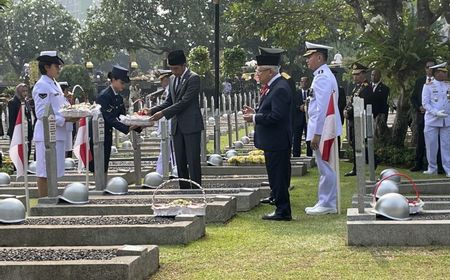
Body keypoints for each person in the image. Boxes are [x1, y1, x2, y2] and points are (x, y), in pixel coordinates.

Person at [242, 52, 292, 221]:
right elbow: (271, 111)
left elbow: (277, 116)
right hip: (274, 141)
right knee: (276, 176)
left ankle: (282, 211)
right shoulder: (274, 86)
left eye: (260, 71)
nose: (257, 74)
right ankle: (279, 205)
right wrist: (255, 112)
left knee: (278, 177)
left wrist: (254, 118)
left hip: (277, 141)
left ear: (270, 71)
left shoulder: (279, 88)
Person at [148, 50, 204, 189]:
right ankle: (184, 189)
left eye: (176, 68)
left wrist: (162, 114)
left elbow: (184, 102)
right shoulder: (173, 80)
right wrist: (152, 110)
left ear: (184, 65)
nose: (173, 71)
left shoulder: (193, 78)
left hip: (191, 125)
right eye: (171, 68)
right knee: (180, 161)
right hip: (177, 126)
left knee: (193, 161)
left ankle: (196, 190)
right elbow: (170, 101)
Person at [303, 42, 342, 215]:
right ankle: (324, 200)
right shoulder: (321, 75)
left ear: (319, 57)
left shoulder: (323, 77)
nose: (307, 61)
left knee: (327, 167)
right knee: (324, 166)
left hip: (324, 129)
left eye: (309, 57)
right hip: (323, 128)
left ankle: (327, 203)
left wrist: (317, 134)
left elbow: (323, 108)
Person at [32, 51, 77, 197]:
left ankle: (52, 196)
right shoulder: (42, 86)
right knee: (45, 171)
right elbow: (42, 114)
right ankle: (45, 200)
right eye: (56, 66)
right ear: (46, 67)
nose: (59, 69)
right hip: (47, 134)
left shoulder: (54, 83)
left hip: (57, 134)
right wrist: (65, 119)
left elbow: (60, 107)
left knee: (54, 170)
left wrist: (72, 109)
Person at [88, 65, 142, 174]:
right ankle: (99, 185)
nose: (123, 85)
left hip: (107, 133)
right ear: (113, 80)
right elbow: (109, 118)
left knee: (105, 160)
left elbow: (122, 117)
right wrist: (127, 128)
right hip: (98, 133)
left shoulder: (118, 97)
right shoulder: (105, 96)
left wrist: (139, 125)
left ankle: (103, 183)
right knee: (98, 162)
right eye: (121, 82)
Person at [343, 63, 373, 176]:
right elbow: (351, 102)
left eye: (357, 74)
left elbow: (361, 104)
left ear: (363, 74)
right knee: (353, 143)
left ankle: (369, 162)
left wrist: (349, 112)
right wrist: (345, 109)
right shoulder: (356, 87)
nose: (355, 77)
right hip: (353, 120)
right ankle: (357, 167)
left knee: (359, 144)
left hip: (361, 119)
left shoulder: (366, 88)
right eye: (354, 75)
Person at [422, 62, 450, 176]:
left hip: (446, 120)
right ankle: (432, 168)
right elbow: (425, 103)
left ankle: (448, 168)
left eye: (446, 72)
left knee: (446, 145)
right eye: (443, 72)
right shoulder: (428, 86)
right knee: (431, 145)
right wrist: (436, 112)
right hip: (432, 120)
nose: (445, 74)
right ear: (437, 73)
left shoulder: (448, 85)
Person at [410, 60, 435, 171]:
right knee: (420, 141)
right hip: (422, 116)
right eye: (427, 67)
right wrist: (418, 107)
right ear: (425, 69)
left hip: (435, 117)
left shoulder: (440, 82)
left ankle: (436, 165)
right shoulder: (420, 81)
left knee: (435, 141)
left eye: (432, 67)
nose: (430, 69)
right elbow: (413, 97)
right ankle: (418, 163)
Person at [155, 70, 177, 177]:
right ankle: (161, 172)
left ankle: (173, 171)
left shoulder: (170, 90)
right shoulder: (167, 90)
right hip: (165, 125)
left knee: (171, 151)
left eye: (162, 80)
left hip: (169, 125)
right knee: (166, 151)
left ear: (167, 79)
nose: (161, 83)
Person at [7, 83, 33, 161]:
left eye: (26, 91)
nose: (25, 93)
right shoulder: (13, 102)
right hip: (17, 131)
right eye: (23, 91)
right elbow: (12, 119)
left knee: (27, 150)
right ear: (19, 91)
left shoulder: (26, 102)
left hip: (27, 131)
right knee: (18, 154)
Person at [59, 81, 75, 158]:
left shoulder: (66, 99)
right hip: (64, 126)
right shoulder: (60, 99)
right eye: (66, 89)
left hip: (68, 126)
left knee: (68, 147)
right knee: (64, 147)